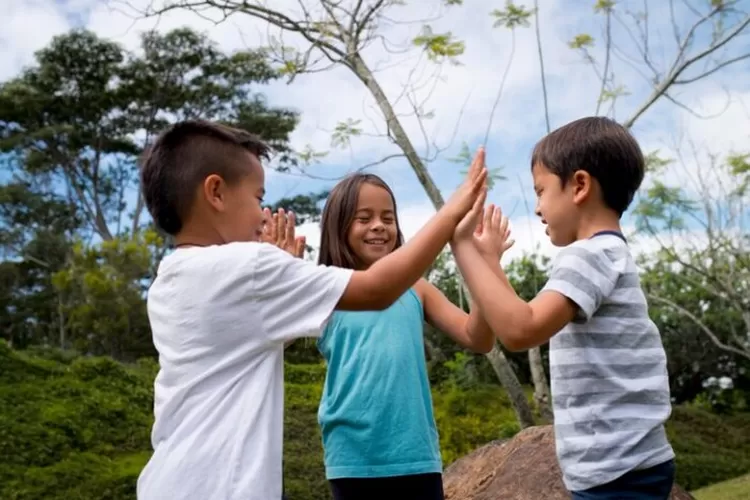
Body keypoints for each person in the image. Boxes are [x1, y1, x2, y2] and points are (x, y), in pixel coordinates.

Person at [135, 119, 488, 500]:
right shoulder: (247, 268)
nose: (262, 215)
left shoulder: (169, 280)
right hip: (226, 487)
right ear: (216, 192)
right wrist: (451, 212)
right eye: (258, 198)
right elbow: (377, 289)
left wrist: (278, 276)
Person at [451, 117, 675, 500]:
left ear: (580, 186)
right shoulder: (607, 253)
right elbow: (526, 314)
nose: (537, 208)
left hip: (616, 471)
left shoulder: (589, 256)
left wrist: (462, 245)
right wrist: (489, 262)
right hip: (627, 465)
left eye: (541, 191)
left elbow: (521, 330)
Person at [314, 162, 513, 500]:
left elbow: (478, 338)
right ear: (338, 226)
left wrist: (488, 264)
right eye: (364, 218)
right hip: (352, 457)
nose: (378, 227)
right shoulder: (326, 288)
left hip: (416, 456)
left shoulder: (417, 289)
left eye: (387, 218)